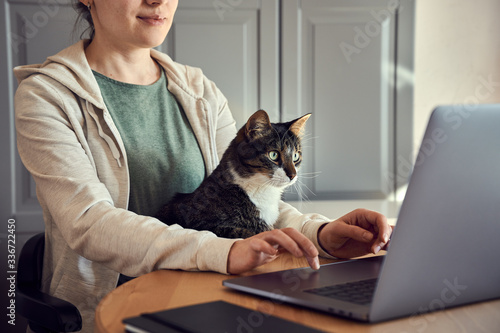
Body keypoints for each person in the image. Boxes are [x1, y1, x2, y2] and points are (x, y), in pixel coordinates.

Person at [14, 0, 392, 332]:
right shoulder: (46, 96)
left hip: (207, 298)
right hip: (105, 315)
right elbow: (89, 222)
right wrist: (222, 251)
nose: (157, 0)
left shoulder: (199, 89)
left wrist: (320, 234)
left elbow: (252, 197)